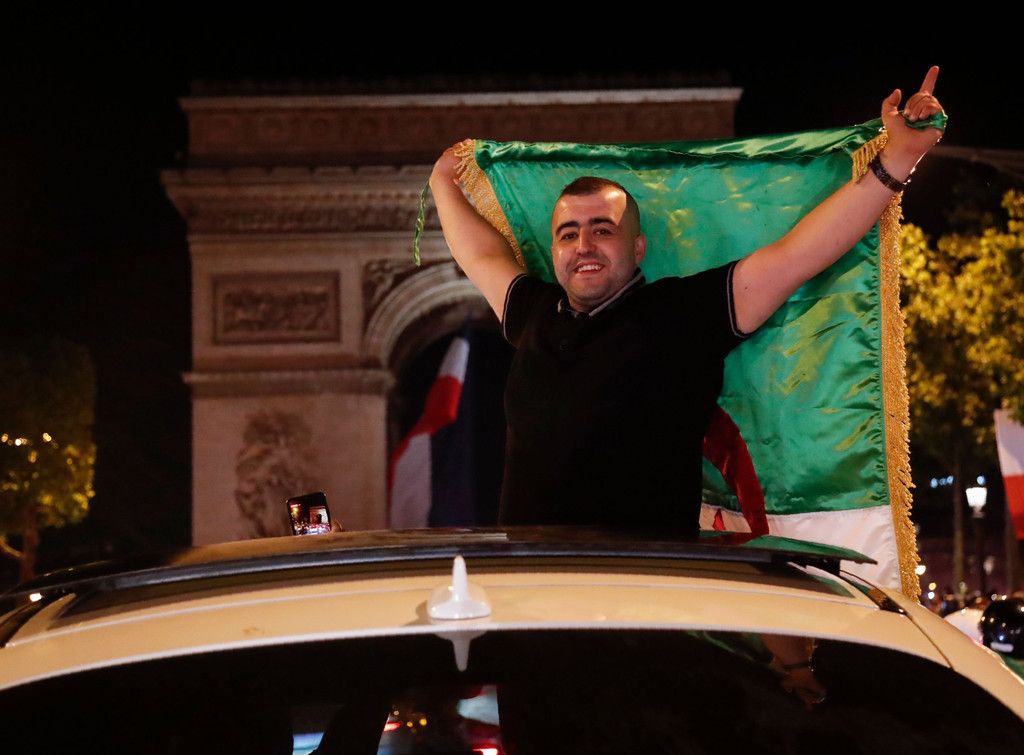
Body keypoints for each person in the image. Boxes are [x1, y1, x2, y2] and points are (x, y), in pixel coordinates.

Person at [429, 67, 945, 529]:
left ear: (638, 248)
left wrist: (896, 160)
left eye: (602, 229)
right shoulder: (535, 315)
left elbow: (797, 256)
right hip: (533, 586)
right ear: (554, 250)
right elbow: (480, 255)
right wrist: (441, 182)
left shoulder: (682, 316)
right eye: (568, 233)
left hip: (650, 588)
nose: (583, 245)